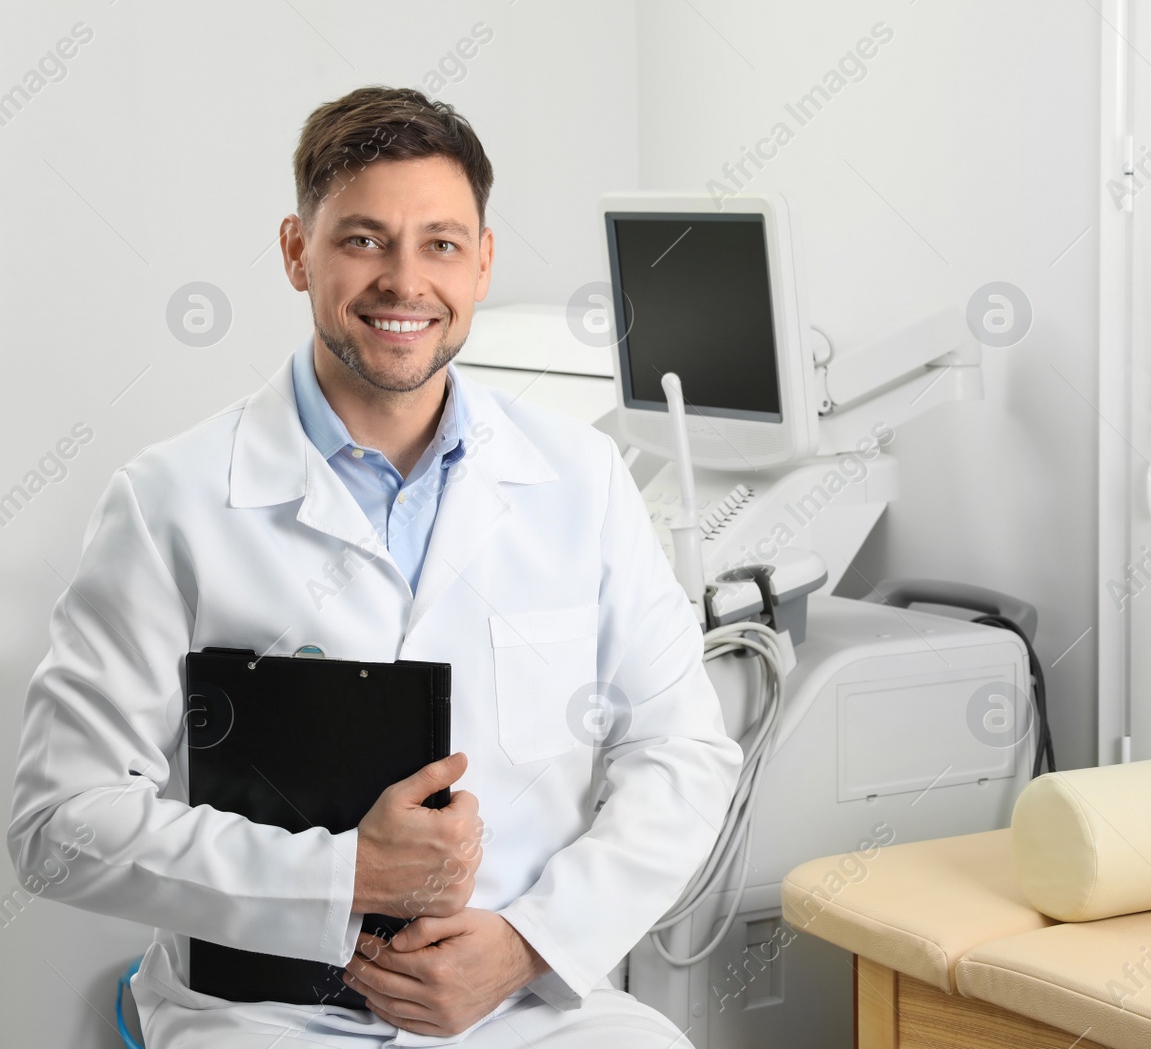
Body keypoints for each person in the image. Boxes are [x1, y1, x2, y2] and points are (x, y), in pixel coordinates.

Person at [6, 85, 741, 1048]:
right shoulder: (168, 501)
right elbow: (59, 825)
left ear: (481, 262)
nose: (405, 281)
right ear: (295, 250)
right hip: (263, 1015)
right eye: (362, 239)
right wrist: (344, 875)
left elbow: (683, 752)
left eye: (440, 243)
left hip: (519, 1002)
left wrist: (528, 943)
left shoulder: (582, 479)